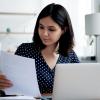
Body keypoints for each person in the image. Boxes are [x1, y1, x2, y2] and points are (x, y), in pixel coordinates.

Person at [0, 3, 80, 95]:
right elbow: (11, 90)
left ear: (63, 30)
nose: (44, 33)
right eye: (41, 27)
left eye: (51, 29)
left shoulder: (70, 55)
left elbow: (81, 84)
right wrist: (2, 84)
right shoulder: (25, 50)